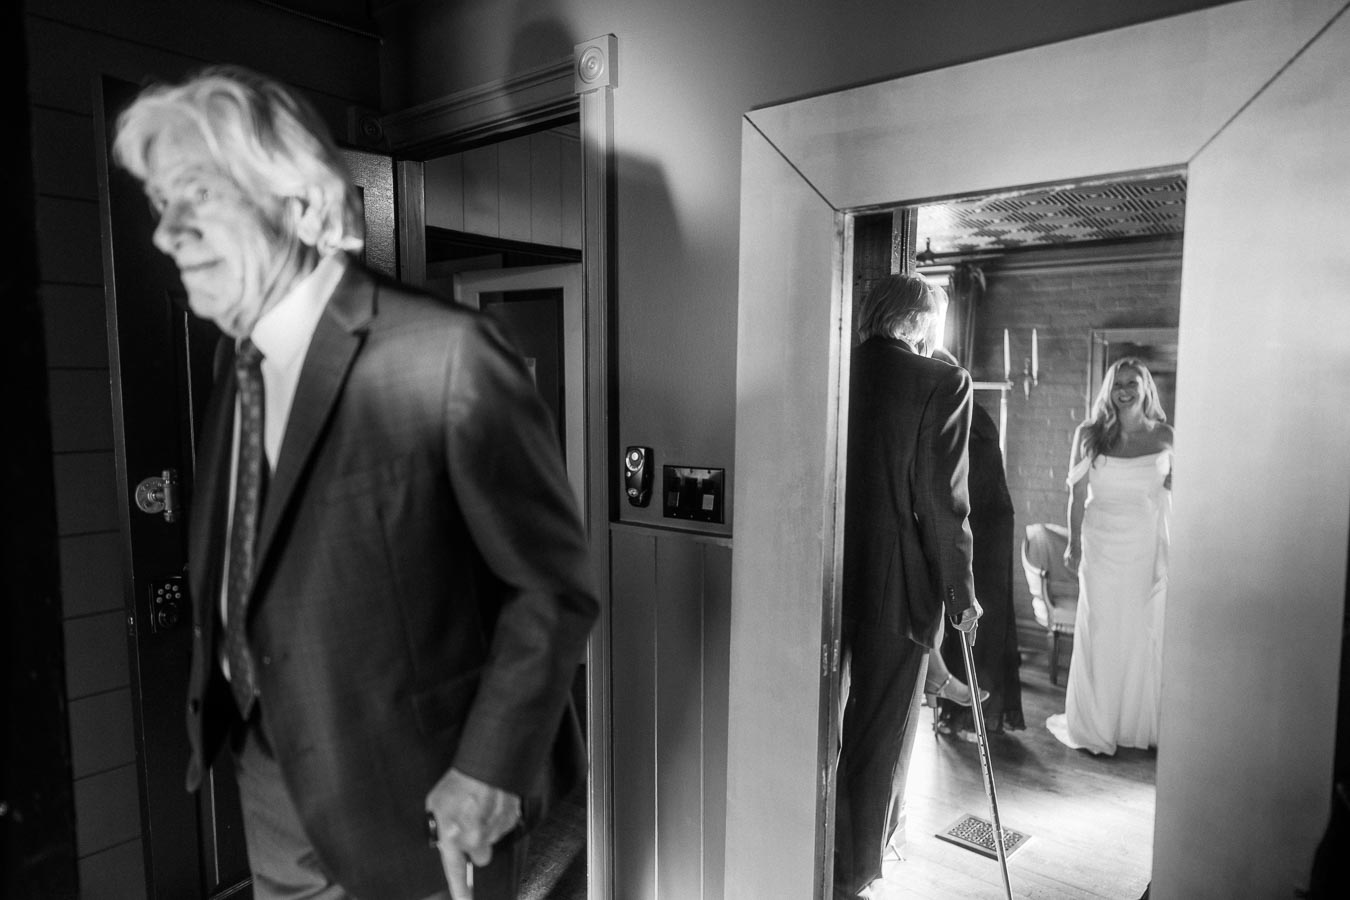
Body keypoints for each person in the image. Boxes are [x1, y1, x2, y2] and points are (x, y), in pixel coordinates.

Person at [112, 66, 599, 900]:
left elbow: (551, 590)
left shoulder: (447, 355)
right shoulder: (241, 365)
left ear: (299, 206)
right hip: (271, 780)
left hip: (424, 807)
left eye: (195, 194)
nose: (166, 234)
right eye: (161, 205)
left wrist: (485, 774)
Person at [835, 273, 982, 897]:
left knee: (822, 725)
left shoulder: (836, 366)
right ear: (920, 322)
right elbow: (942, 503)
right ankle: (854, 872)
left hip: (821, 575)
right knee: (880, 731)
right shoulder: (942, 382)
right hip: (895, 587)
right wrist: (961, 597)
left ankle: (814, 849)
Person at [1047, 357, 1173, 755]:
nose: (1124, 390)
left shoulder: (1166, 435)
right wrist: (1073, 544)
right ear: (1108, 388)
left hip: (1145, 545)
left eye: (1132, 382)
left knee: (1139, 631)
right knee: (1101, 631)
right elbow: (1075, 494)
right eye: (1117, 383)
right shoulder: (1089, 433)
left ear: (1145, 387)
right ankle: (1097, 723)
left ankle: (1135, 724)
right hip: (1101, 544)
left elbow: (1178, 489)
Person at [929, 348, 1024, 735]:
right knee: (963, 620)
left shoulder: (972, 420)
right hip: (975, 526)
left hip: (984, 532)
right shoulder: (962, 412)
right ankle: (958, 710)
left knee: (977, 620)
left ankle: (975, 714)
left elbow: (966, 489)